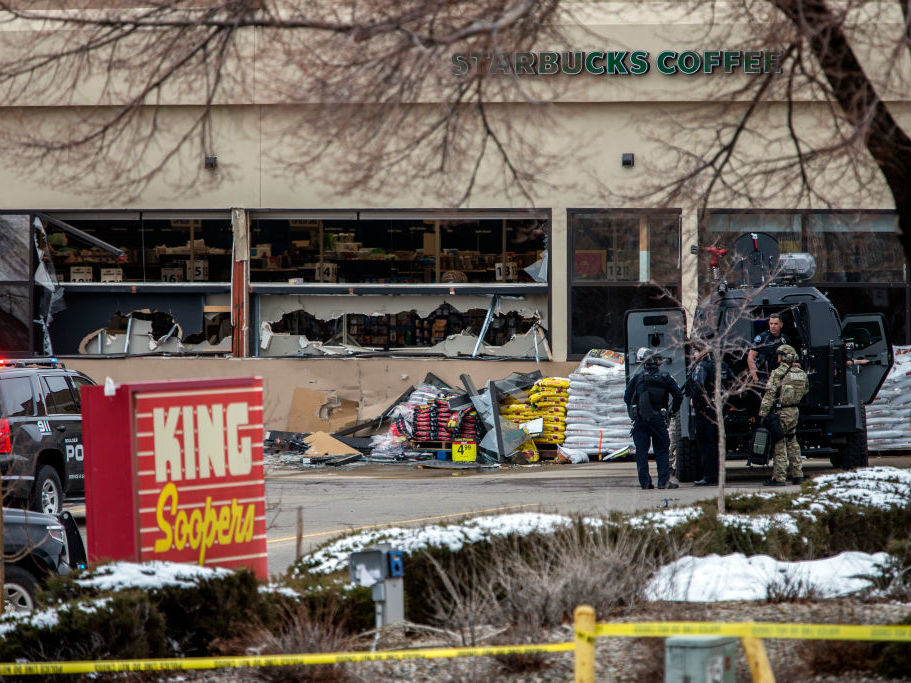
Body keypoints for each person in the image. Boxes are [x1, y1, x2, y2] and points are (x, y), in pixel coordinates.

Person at [625, 347, 684, 490]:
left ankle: (645, 483)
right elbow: (678, 395)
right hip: (658, 419)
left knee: (642, 452)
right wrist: (672, 411)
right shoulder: (666, 377)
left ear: (644, 363)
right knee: (662, 451)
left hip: (640, 420)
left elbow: (627, 397)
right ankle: (663, 482)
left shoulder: (637, 378)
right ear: (658, 363)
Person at [758, 344, 809, 486]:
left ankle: (779, 478)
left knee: (779, 443)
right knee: (792, 441)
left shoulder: (778, 372)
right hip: (794, 411)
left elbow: (769, 394)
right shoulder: (801, 373)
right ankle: (798, 474)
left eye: (780, 354)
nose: (778, 357)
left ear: (784, 356)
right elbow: (805, 391)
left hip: (781, 412)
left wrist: (763, 413)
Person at [688, 349, 726, 487]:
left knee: (706, 444)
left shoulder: (701, 367)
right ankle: (717, 475)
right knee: (715, 444)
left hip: (704, 410)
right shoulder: (721, 366)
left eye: (696, 352)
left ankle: (709, 476)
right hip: (717, 409)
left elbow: (698, 385)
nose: (694, 355)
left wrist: (694, 400)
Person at [747, 313, 789, 385]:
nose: (773, 326)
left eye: (775, 324)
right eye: (771, 324)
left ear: (781, 325)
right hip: (764, 376)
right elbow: (750, 357)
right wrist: (754, 377)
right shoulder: (762, 338)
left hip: (779, 376)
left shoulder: (784, 339)